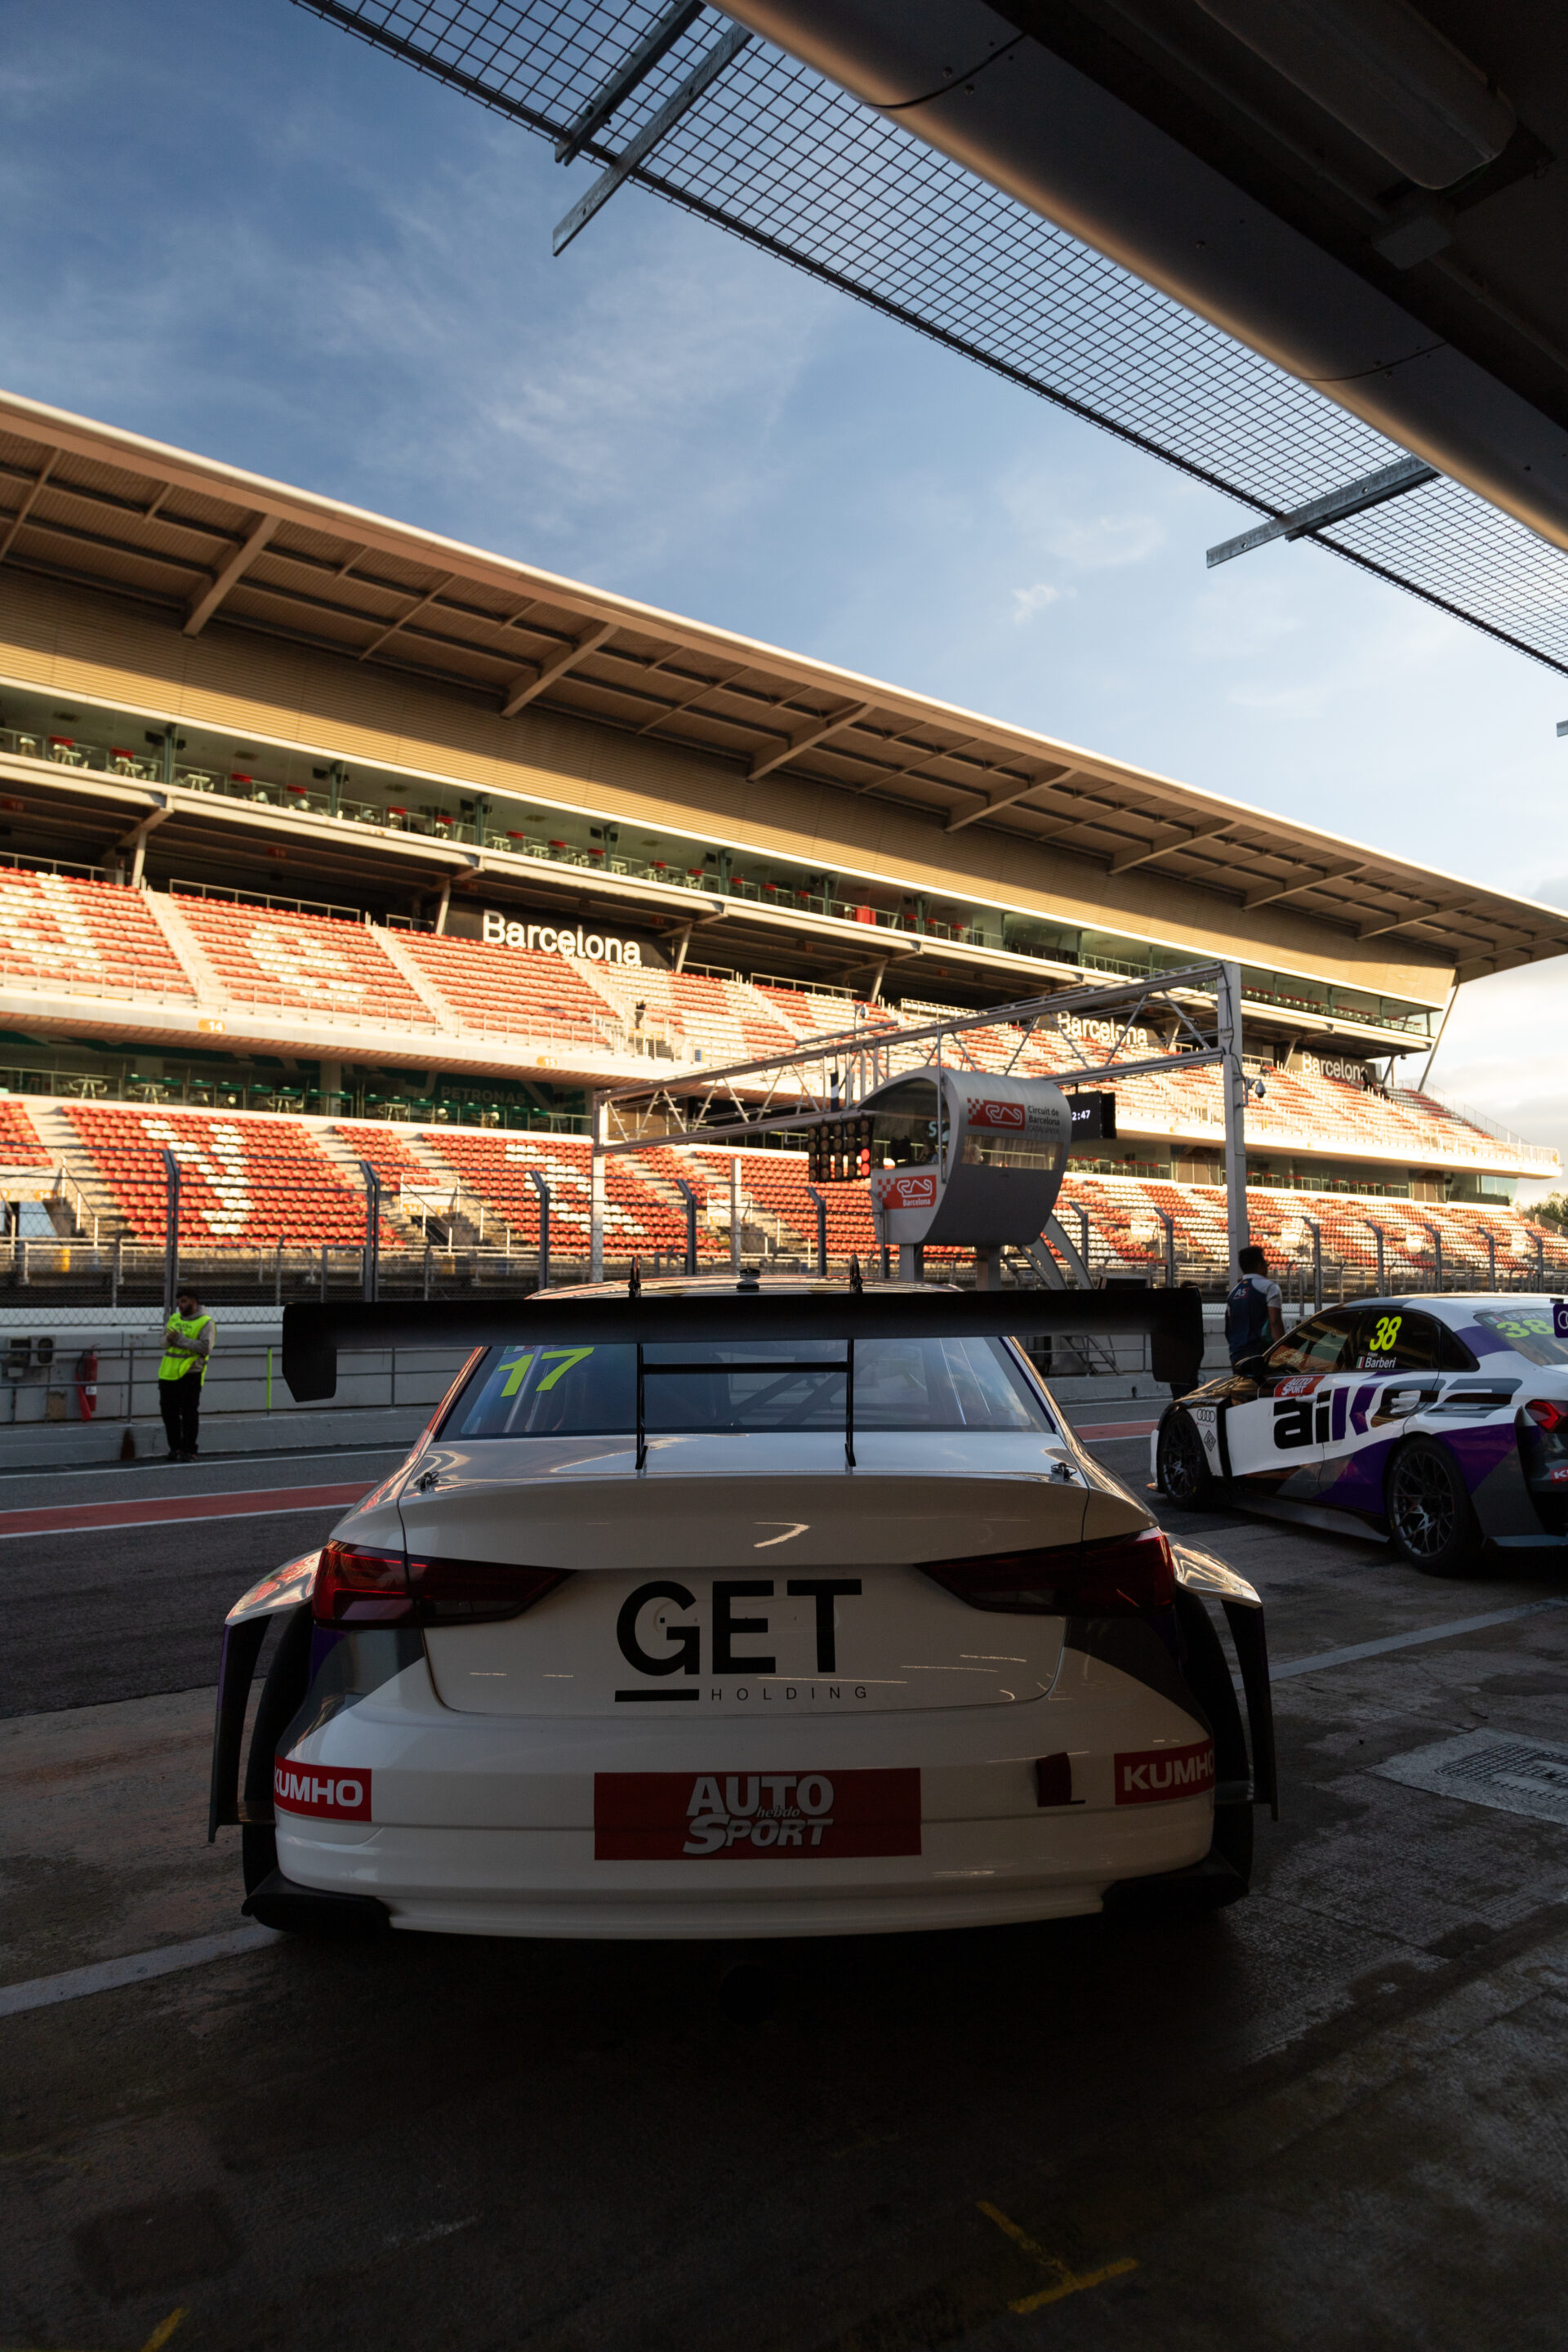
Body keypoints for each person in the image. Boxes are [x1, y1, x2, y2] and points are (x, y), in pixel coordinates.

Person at [158, 1285, 212, 1460]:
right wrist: (168, 1339)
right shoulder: (174, 1318)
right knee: (169, 1414)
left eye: (183, 1302)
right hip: (168, 1373)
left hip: (190, 1374)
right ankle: (175, 1448)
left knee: (189, 1413)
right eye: (178, 1302)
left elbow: (205, 1347)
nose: (180, 1306)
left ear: (194, 1302)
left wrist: (180, 1340)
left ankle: (190, 1449)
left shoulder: (205, 1322)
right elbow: (162, 1342)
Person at [1225, 1244, 1284, 1376]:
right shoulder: (1270, 1288)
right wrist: (1283, 1352)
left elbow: (1228, 1328)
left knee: (1243, 1394)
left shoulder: (1233, 1293)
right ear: (1259, 1266)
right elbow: (1274, 1322)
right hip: (1261, 1355)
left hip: (1237, 1355)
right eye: (1266, 1264)